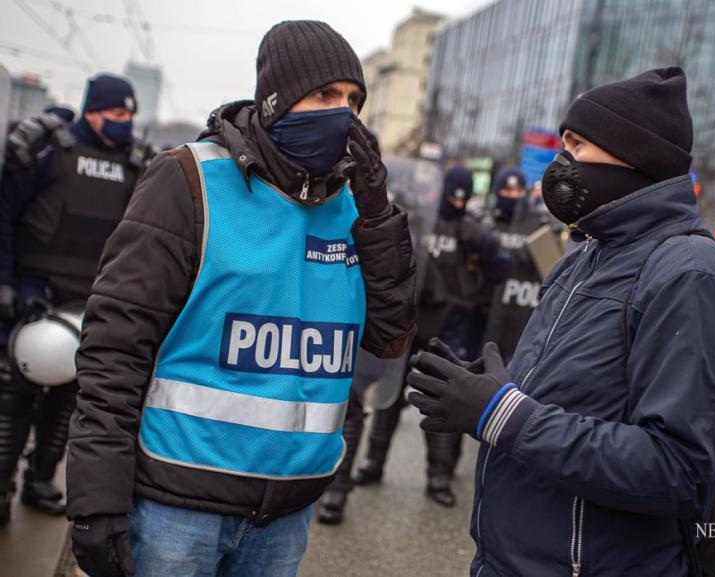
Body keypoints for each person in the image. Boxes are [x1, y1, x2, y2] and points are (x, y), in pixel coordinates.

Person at [66, 21, 416, 577]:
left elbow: (390, 336)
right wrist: (96, 495)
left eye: (354, 100)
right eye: (324, 95)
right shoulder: (189, 179)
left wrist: (378, 214)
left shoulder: (356, 209)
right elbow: (115, 343)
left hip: (286, 515)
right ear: (276, 100)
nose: (343, 115)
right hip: (175, 507)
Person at [407, 67, 715, 577]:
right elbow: (578, 406)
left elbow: (678, 470)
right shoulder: (584, 254)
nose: (561, 161)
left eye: (578, 144)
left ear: (636, 154)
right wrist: (497, 391)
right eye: (562, 142)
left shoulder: (690, 275)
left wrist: (504, 415)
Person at [0, 74, 140, 525]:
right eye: (117, 114)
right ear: (92, 111)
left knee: (67, 399)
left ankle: (42, 479)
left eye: (130, 115)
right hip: (33, 296)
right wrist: (8, 284)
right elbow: (5, 214)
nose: (125, 123)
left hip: (91, 302)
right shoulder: (46, 152)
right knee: (13, 396)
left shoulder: (134, 165)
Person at [349, 166, 510, 509]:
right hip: (410, 319)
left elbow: (499, 272)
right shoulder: (419, 221)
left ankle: (438, 474)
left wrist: (486, 247)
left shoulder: (473, 231)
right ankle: (374, 462)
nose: (457, 198)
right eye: (452, 190)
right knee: (389, 396)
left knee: (443, 397)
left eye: (463, 193)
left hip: (451, 326)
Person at [481, 166, 546, 361]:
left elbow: (549, 266)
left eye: (518, 191)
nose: (513, 196)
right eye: (507, 191)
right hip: (484, 310)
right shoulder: (486, 221)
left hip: (521, 314)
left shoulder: (539, 225)